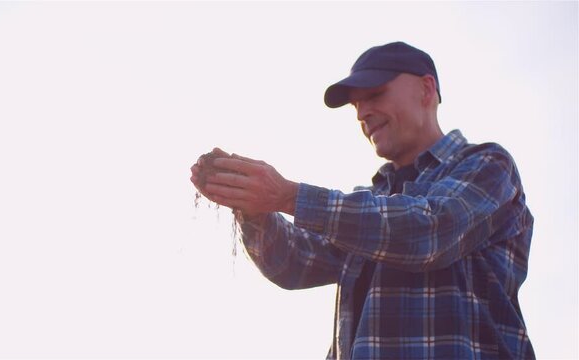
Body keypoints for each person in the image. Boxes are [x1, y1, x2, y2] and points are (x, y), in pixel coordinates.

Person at [190, 41, 535, 359]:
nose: (361, 113)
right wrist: (254, 209)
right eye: (357, 104)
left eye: (375, 94)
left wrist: (288, 195)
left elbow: (429, 229)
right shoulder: (367, 203)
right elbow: (294, 263)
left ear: (426, 89)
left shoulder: (488, 165)